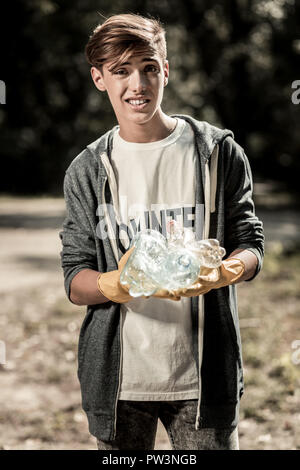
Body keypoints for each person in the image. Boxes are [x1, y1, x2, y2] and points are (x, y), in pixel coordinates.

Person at [59, 13, 264, 450]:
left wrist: (225, 271)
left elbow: (251, 242)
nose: (139, 84)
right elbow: (75, 280)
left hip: (204, 382)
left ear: (166, 70)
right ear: (99, 78)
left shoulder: (217, 153)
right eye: (121, 71)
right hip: (120, 384)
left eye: (149, 67)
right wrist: (119, 282)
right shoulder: (88, 170)